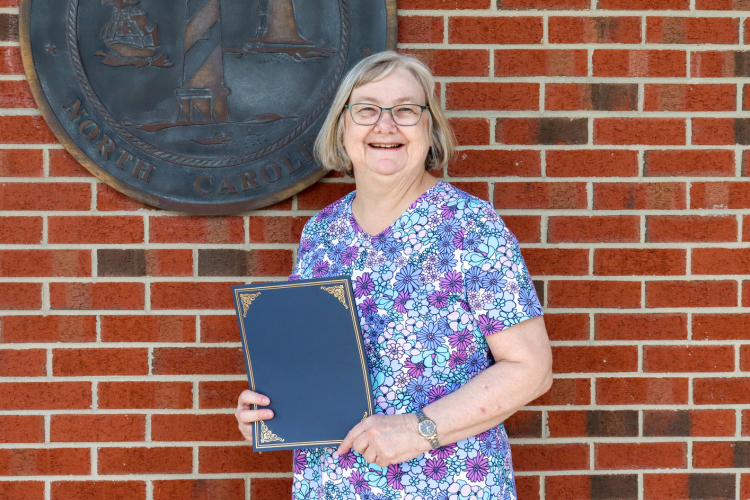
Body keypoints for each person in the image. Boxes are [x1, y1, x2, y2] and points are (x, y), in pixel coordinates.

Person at [235, 51, 553, 500]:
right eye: (366, 110)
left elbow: (531, 369)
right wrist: (271, 410)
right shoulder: (322, 233)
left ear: (430, 127)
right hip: (333, 484)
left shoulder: (469, 226)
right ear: (343, 128)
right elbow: (310, 359)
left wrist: (418, 430)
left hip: (448, 484)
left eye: (405, 110)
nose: (385, 125)